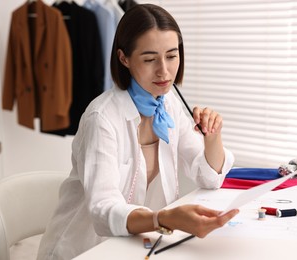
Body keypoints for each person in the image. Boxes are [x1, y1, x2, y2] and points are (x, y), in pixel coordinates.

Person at [37, 4, 238, 260]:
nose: (164, 71)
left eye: (172, 55)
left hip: (137, 246)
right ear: (124, 58)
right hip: (85, 250)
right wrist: (162, 218)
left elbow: (209, 178)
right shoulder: (102, 117)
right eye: (150, 59)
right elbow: (103, 210)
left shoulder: (169, 104)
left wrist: (214, 135)